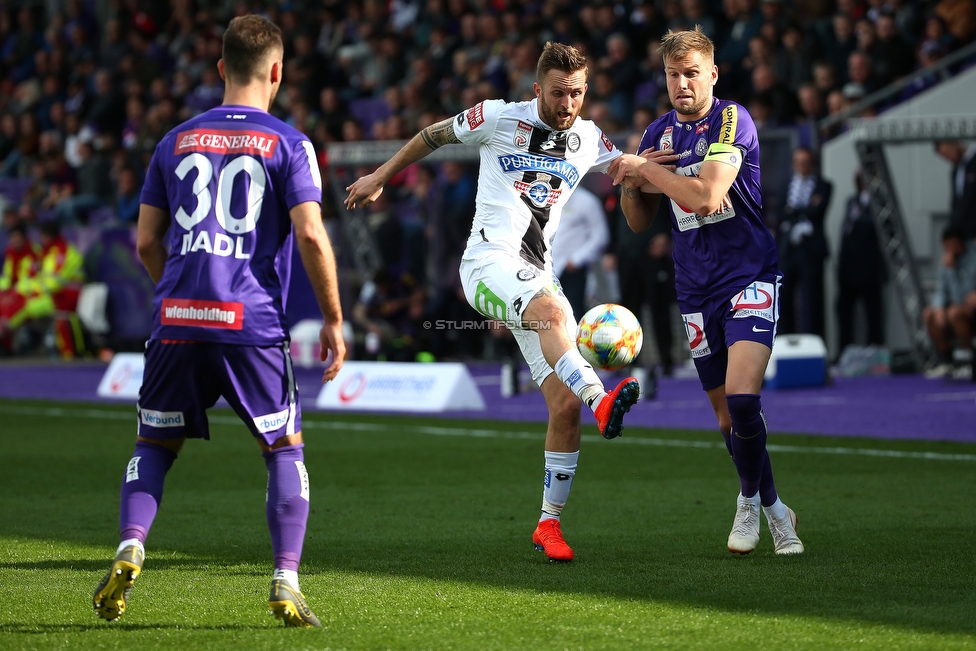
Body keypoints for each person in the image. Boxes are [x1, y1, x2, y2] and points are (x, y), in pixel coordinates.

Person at [92, 15, 345, 628]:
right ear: (278, 72)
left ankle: (131, 543)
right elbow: (310, 233)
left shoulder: (172, 140)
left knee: (154, 443)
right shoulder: (290, 143)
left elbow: (147, 240)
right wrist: (334, 319)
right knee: (284, 448)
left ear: (220, 69)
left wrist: (179, 296)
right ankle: (285, 578)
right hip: (250, 321)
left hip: (175, 317)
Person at [345, 41, 641, 563]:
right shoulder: (500, 118)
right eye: (557, 93)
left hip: (537, 275)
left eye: (575, 92)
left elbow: (626, 169)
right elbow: (431, 135)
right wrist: (380, 176)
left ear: (586, 91)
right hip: (486, 265)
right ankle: (603, 400)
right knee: (552, 317)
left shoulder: (590, 138)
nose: (567, 103)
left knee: (562, 406)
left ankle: (549, 525)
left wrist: (654, 171)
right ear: (536, 90)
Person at [611, 26, 804, 555]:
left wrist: (647, 170)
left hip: (748, 274)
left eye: (692, 73)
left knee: (743, 400)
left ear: (713, 74)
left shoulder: (732, 120)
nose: (682, 84)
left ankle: (747, 501)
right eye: (673, 75)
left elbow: (707, 195)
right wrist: (633, 184)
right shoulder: (656, 135)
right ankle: (776, 508)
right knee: (724, 417)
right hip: (694, 288)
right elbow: (636, 222)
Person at [777, 146, 832, 339]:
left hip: (811, 250)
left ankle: (814, 344)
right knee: (784, 298)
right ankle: (786, 341)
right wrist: (806, 208)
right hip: (788, 249)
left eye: (806, 162)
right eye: (799, 162)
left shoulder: (823, 185)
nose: (802, 166)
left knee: (812, 300)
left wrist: (793, 210)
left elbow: (818, 212)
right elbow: (778, 213)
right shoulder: (785, 185)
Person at [836, 170, 886, 354]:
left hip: (869, 264)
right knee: (844, 311)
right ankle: (844, 351)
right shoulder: (852, 201)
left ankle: (875, 349)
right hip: (849, 264)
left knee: (873, 311)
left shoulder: (880, 202)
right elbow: (846, 231)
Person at [922, 224, 976, 379]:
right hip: (954, 307)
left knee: (954, 312)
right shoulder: (946, 261)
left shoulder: (973, 259)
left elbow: (961, 297)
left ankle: (968, 360)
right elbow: (941, 290)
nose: (951, 249)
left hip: (969, 309)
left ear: (962, 243)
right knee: (930, 314)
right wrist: (938, 308)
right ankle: (946, 362)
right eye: (948, 246)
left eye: (954, 246)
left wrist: (951, 270)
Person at [550, 184, 609, 321]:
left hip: (573, 270)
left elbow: (600, 236)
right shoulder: (547, 199)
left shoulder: (587, 200)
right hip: (547, 268)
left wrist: (577, 259)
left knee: (574, 315)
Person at [935, 140, 976, 241]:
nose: (949, 158)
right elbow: (957, 203)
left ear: (956, 143)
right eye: (945, 156)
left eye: (948, 152)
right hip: (963, 235)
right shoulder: (956, 170)